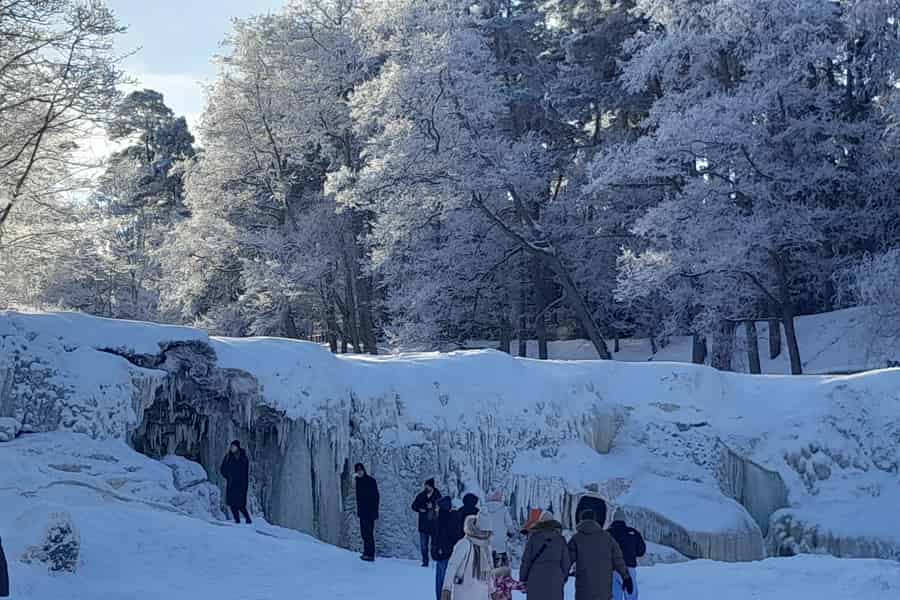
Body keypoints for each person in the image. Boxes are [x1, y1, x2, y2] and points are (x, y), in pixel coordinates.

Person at [567, 509, 632, 600]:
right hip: (604, 591)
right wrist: (626, 577)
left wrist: (561, 576)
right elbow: (618, 560)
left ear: (581, 520)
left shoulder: (576, 538)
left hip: (584, 590)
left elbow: (566, 561)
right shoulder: (608, 538)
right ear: (595, 520)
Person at [441, 514, 494, 600]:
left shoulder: (486, 547)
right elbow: (452, 566)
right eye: (485, 531)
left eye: (488, 532)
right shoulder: (465, 543)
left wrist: (493, 590)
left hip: (482, 593)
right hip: (464, 592)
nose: (487, 534)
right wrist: (447, 588)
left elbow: (490, 571)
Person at [519, 511, 570, 600]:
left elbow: (526, 560)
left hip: (535, 577)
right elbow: (566, 561)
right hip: (555, 577)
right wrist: (563, 577)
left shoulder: (533, 538)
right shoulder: (560, 539)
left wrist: (523, 578)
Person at [607, 509, 646, 600]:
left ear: (613, 519)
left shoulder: (607, 533)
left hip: (612, 570)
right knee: (631, 596)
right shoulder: (633, 533)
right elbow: (641, 551)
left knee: (614, 597)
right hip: (629, 569)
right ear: (624, 520)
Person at [219, 440, 251, 524]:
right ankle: (237, 521)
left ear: (237, 447)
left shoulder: (243, 457)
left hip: (241, 484)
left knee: (240, 505)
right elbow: (222, 468)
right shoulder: (228, 457)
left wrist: (242, 481)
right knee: (232, 504)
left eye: (233, 446)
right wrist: (228, 476)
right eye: (231, 446)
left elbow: (244, 472)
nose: (232, 448)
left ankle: (248, 519)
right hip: (231, 484)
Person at [412, 478, 442, 567]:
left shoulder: (438, 495)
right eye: (425, 486)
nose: (426, 487)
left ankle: (435, 560)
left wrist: (433, 506)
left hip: (434, 524)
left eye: (427, 486)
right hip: (423, 524)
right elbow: (413, 506)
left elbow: (441, 507)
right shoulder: (421, 495)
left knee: (434, 544)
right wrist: (419, 509)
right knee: (423, 545)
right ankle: (425, 561)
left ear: (431, 486)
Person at [431, 496, 456, 600]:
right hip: (450, 553)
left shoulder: (440, 519)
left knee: (441, 582)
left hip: (442, 553)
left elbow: (437, 536)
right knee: (448, 582)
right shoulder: (453, 518)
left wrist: (435, 550)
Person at [354, 463, 380, 562]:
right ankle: (366, 552)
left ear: (364, 470)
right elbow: (359, 498)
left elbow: (376, 497)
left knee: (369, 533)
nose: (359, 472)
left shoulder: (371, 481)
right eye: (357, 471)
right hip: (362, 512)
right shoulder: (358, 481)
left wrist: (375, 511)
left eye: (360, 470)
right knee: (364, 533)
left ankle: (371, 554)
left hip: (370, 512)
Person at [482, 490, 515, 567]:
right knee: (502, 561)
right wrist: (511, 533)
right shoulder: (503, 509)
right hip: (501, 541)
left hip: (487, 540)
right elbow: (509, 524)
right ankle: (501, 576)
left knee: (488, 561)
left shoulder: (484, 509)